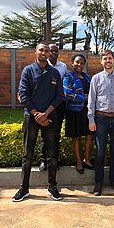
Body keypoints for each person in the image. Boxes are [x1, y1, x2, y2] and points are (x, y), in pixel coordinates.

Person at [13, 42, 63, 202]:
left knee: (52, 154)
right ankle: (24, 188)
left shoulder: (55, 73)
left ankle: (52, 186)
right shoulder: (28, 71)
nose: (44, 52)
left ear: (49, 54)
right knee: (27, 154)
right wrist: (36, 114)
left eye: (47, 50)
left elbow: (59, 96)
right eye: (41, 50)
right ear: (36, 52)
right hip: (31, 117)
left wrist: (46, 114)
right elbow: (23, 94)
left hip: (50, 118)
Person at [88, 50, 114, 196]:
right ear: (101, 61)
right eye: (105, 58)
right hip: (101, 119)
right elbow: (91, 101)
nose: (108, 61)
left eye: (110, 58)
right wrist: (91, 119)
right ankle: (98, 183)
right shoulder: (96, 79)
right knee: (100, 153)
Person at [38, 43, 68, 172]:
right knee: (45, 132)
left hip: (59, 104)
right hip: (45, 104)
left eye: (56, 51)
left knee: (56, 133)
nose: (53, 53)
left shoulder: (63, 67)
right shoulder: (43, 65)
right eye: (51, 51)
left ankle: (54, 159)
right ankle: (43, 160)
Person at [63, 54, 94, 174]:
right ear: (72, 63)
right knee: (77, 136)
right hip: (74, 111)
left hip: (88, 111)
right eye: (77, 62)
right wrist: (82, 98)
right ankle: (79, 161)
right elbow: (66, 93)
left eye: (82, 63)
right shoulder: (68, 76)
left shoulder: (87, 77)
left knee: (90, 135)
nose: (79, 65)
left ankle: (87, 159)